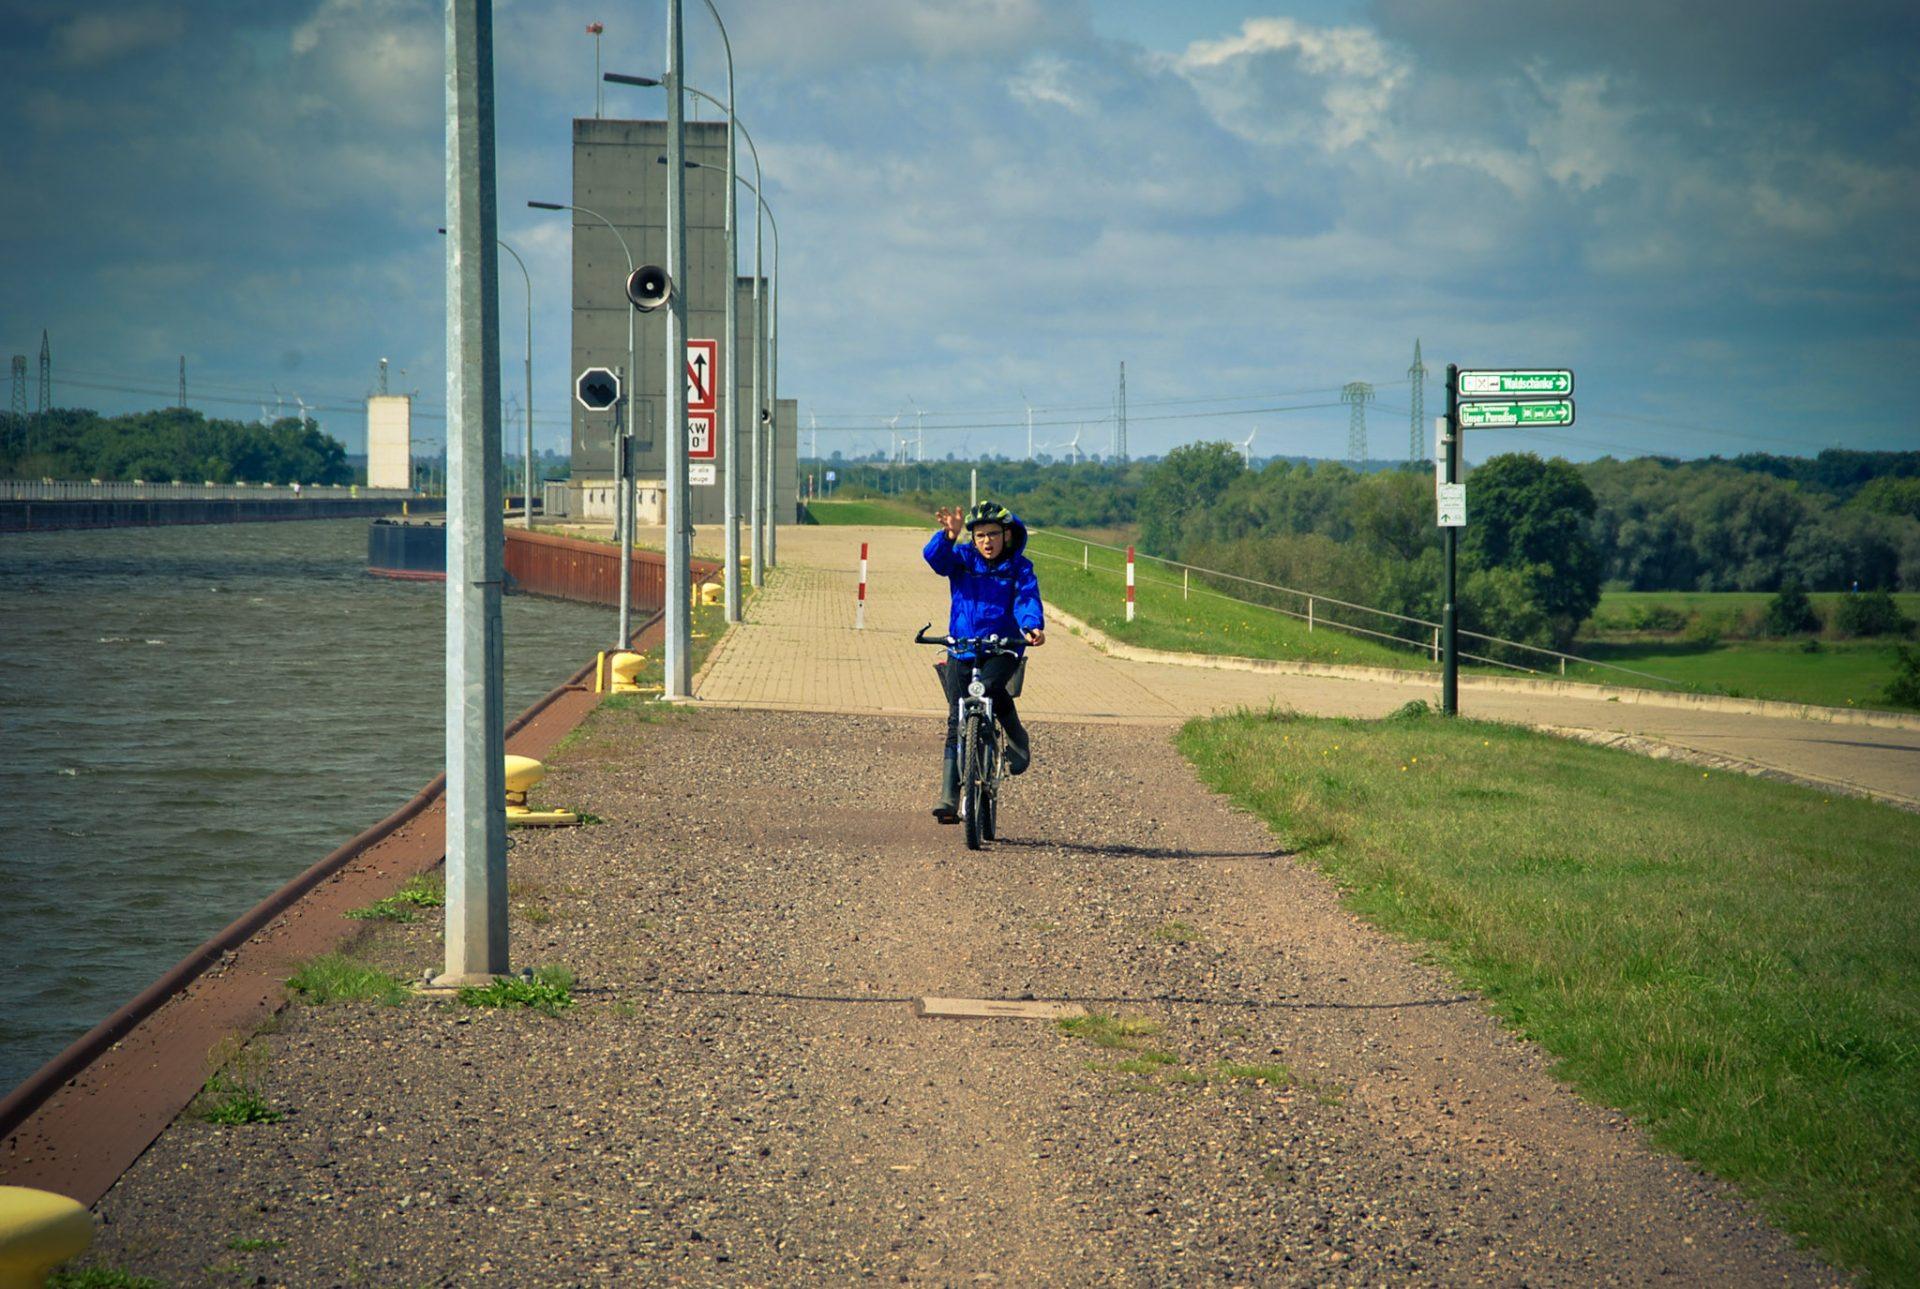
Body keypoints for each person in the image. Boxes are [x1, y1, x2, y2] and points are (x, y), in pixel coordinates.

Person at [923, 500, 1045, 823]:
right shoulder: (963, 559)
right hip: (962, 648)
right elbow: (936, 560)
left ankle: (1017, 737)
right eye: (980, 535)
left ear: (1007, 535)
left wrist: (1032, 626)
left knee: (990, 687)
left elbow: (1026, 599)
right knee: (956, 719)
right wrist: (948, 536)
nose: (987, 541)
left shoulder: (1019, 567)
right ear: (973, 539)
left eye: (993, 534)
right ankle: (949, 797)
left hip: (1002, 648)